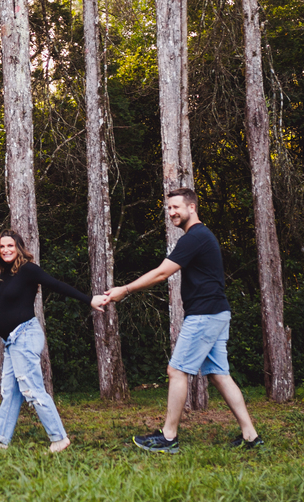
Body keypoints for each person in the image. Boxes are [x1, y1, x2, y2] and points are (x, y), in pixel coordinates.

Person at [95, 187, 262, 453]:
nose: (171, 212)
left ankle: (169, 437)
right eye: (169, 208)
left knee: (176, 371)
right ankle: (251, 436)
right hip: (216, 312)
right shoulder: (199, 237)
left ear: (192, 207)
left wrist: (123, 290)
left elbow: (162, 273)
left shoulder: (195, 237)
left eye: (176, 207)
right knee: (219, 374)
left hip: (205, 314)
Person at [0, 229, 103, 453]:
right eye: (2, 246)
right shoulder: (4, 276)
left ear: (18, 248)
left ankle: (59, 438)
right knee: (10, 392)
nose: (6, 250)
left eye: (10, 246)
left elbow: (56, 284)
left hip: (25, 336)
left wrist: (89, 300)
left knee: (32, 388)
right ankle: (1, 440)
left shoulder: (28, 270)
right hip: (11, 342)